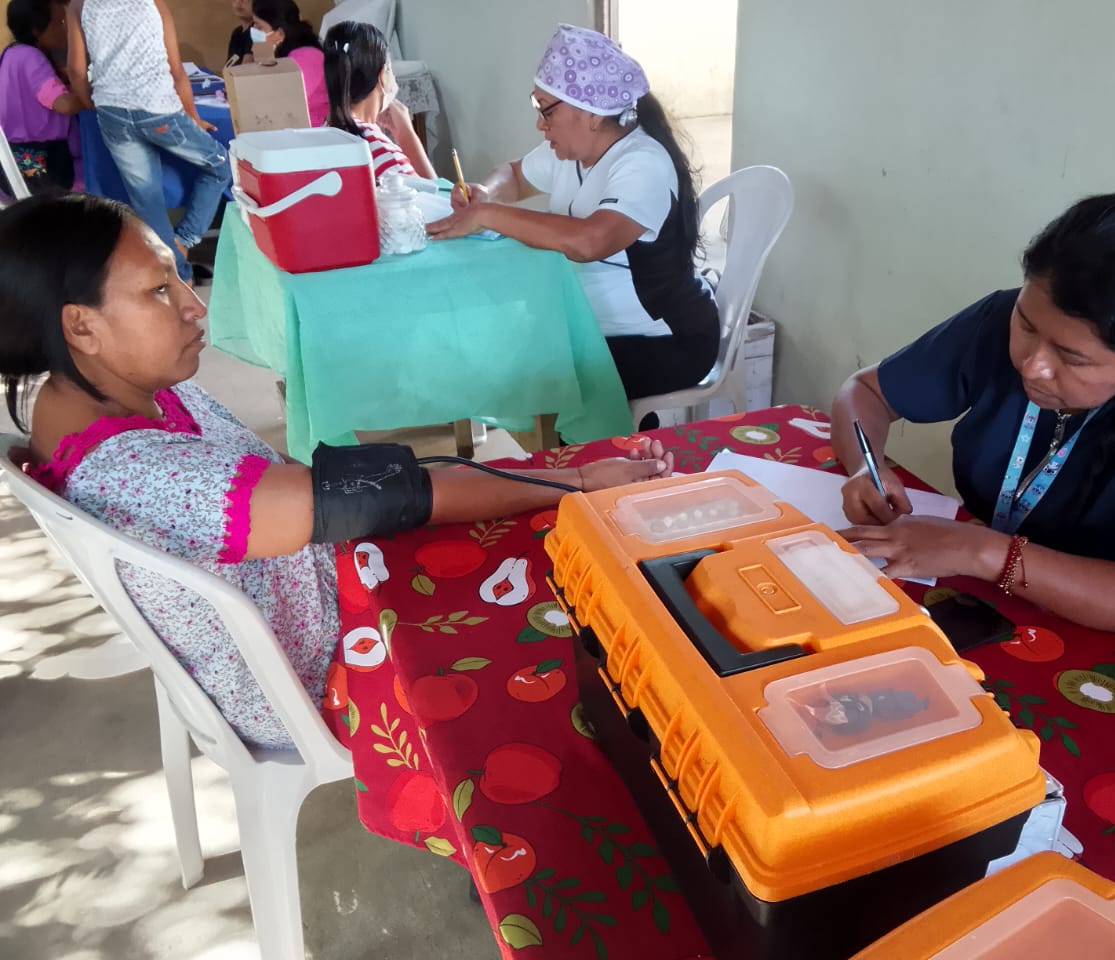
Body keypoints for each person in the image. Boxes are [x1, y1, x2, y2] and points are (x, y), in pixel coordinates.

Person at [0, 193, 673, 748]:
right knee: (564, 628)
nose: (192, 304)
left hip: (315, 600)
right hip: (321, 675)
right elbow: (381, 496)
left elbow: (341, 489)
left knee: (523, 539)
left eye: (178, 276)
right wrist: (577, 481)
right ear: (80, 327)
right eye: (157, 288)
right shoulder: (139, 473)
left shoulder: (98, 395)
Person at [831, 192, 1115, 658]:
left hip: (1100, 643)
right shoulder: (1007, 320)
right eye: (1026, 325)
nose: (1032, 365)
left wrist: (988, 553)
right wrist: (865, 466)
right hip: (978, 599)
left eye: (1072, 358)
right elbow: (864, 393)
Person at [426, 24, 719, 410]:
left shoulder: (643, 163)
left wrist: (488, 215)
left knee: (534, 373)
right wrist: (486, 192)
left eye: (547, 110)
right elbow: (513, 174)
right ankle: (577, 461)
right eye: (537, 106)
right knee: (499, 350)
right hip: (594, 323)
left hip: (668, 339)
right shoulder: (570, 150)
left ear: (592, 113)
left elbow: (589, 241)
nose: (539, 124)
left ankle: (606, 460)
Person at [65, 0, 231, 284]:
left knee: (147, 201)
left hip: (112, 114)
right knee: (219, 166)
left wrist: (96, 104)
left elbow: (77, 72)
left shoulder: (77, 5)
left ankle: (180, 276)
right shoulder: (153, 2)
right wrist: (192, 117)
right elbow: (176, 70)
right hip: (158, 110)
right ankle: (185, 240)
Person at [322, 20, 435, 181]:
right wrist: (405, 133)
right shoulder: (381, 154)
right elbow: (435, 201)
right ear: (382, 76)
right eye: (390, 69)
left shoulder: (327, 131)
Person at [0, 0, 85, 192]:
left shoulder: (10, 55)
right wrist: (89, 93)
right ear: (36, 31)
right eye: (60, 23)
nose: (66, 29)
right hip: (45, 156)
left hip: (15, 155)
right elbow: (63, 104)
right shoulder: (32, 58)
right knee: (58, 206)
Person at [251, 0, 327, 128]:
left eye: (259, 27)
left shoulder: (308, 56)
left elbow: (283, 99)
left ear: (280, 33)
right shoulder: (282, 55)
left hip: (311, 133)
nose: (253, 31)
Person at [225, 0, 253, 68]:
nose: (238, 2)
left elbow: (246, 69)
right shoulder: (237, 32)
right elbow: (229, 67)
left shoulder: (257, 31)